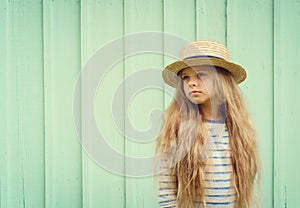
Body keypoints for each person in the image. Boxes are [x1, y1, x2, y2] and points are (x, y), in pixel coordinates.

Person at [156, 40, 260, 208]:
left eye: (201, 75)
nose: (191, 83)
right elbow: (167, 193)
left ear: (221, 80)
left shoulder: (239, 130)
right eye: (186, 77)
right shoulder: (176, 128)